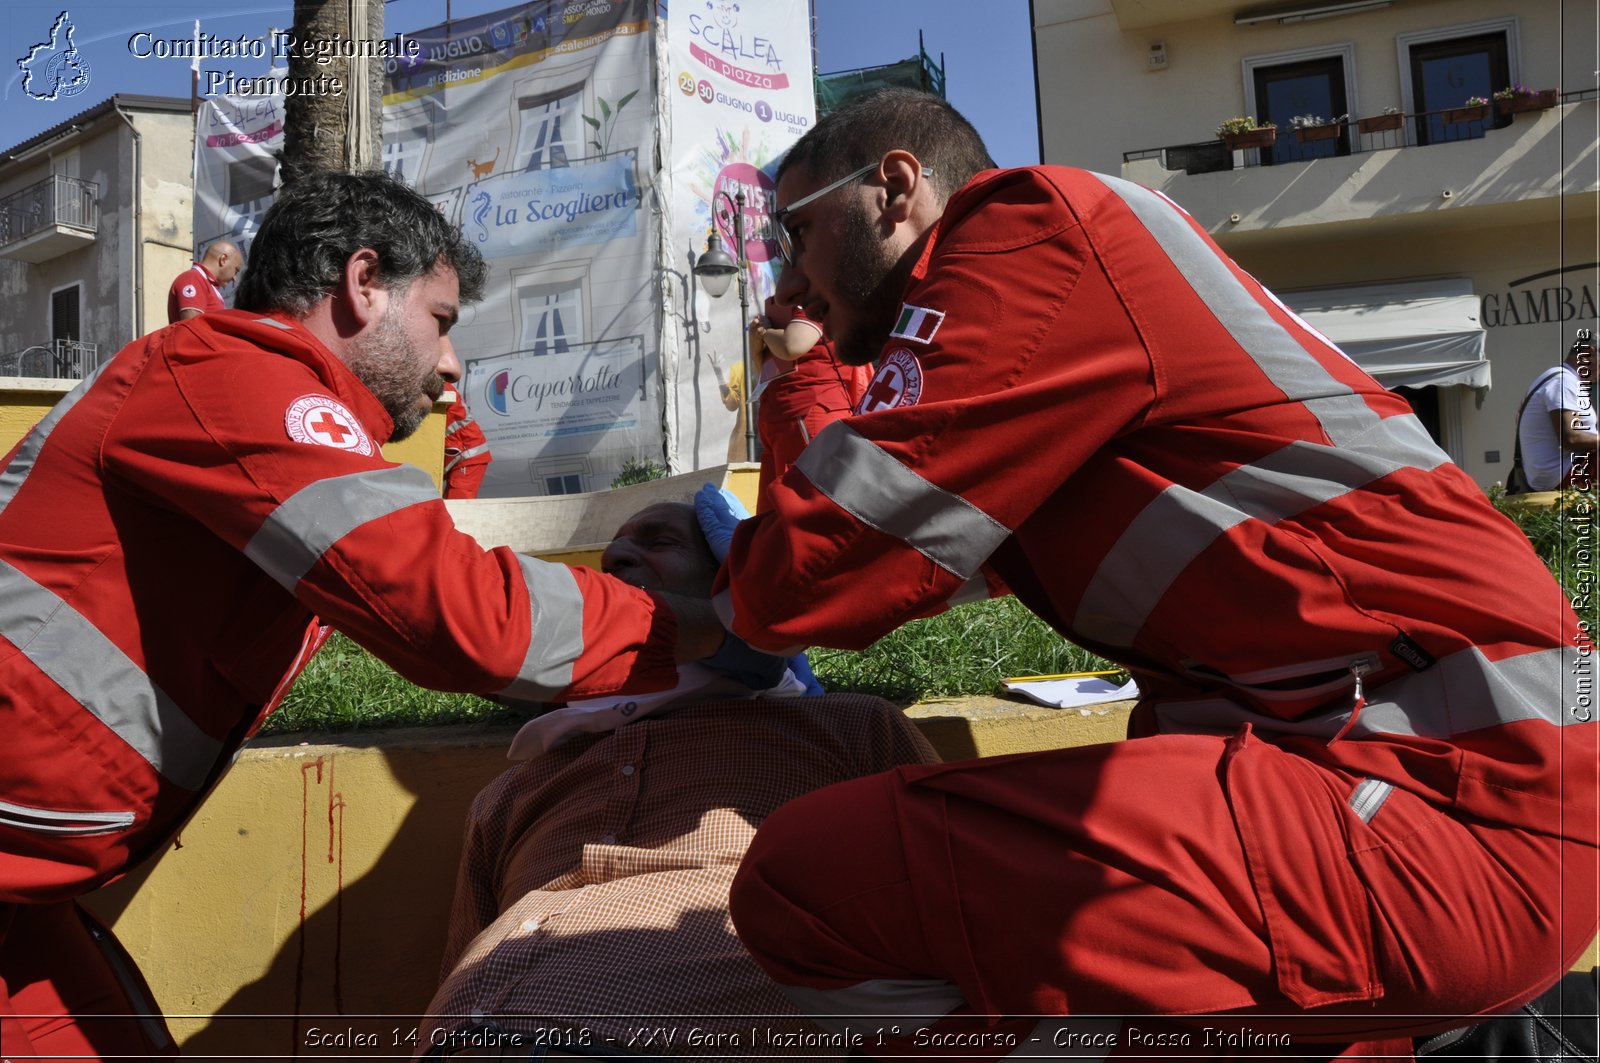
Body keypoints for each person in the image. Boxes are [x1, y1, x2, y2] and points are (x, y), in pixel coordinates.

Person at [690, 88, 1596, 1057]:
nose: (785, 280)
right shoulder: (1031, 341)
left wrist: (810, 382)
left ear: (894, 188)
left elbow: (816, 566)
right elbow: (855, 566)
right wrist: (806, 403)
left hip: (1457, 802)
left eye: (795, 231)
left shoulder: (1025, 228)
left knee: (806, 886)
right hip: (1439, 797)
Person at [0, 170, 729, 1061]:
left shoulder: (235, 391)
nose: (452, 364)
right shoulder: (241, 378)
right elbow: (458, 611)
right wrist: (714, 621)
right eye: (443, 322)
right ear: (363, 283)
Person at [420, 501, 937, 1059]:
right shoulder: (512, 790)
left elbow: (956, 902)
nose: (614, 555)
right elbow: (462, 949)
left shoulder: (849, 728)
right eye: (614, 547)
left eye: (659, 541)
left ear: (729, 582)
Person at [748, 296, 873, 512]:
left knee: (811, 508)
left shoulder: (815, 300)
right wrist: (757, 339)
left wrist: (765, 333)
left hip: (808, 415)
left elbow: (791, 345)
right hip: (783, 419)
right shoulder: (791, 303)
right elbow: (766, 369)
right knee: (777, 516)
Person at [1513, 328, 1596, 492]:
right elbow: (1570, 438)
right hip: (1560, 476)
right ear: (1589, 354)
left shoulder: (1555, 378)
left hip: (1557, 473)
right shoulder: (1563, 382)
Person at [166, 239, 244, 323]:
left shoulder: (204, 283)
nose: (234, 278)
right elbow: (192, 327)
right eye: (236, 270)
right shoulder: (193, 278)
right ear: (223, 259)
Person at [443, 390, 493, 499]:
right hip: (458, 452)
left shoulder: (438, 385)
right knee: (450, 505)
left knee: (457, 505)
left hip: (468, 454)